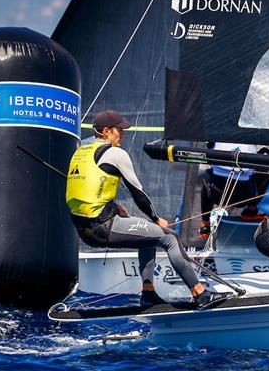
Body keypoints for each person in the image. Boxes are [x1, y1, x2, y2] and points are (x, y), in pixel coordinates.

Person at [65, 110, 223, 309]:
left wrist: (112, 208)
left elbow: (85, 186)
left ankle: (148, 293)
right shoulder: (115, 153)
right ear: (106, 132)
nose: (122, 134)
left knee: (147, 236)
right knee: (169, 237)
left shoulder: (80, 151)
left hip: (83, 228)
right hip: (104, 226)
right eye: (118, 130)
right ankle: (200, 294)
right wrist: (157, 219)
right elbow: (139, 195)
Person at [198, 143, 269, 238]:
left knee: (207, 174)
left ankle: (205, 224)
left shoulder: (215, 141)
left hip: (216, 196)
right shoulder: (251, 145)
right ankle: (251, 211)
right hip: (244, 199)